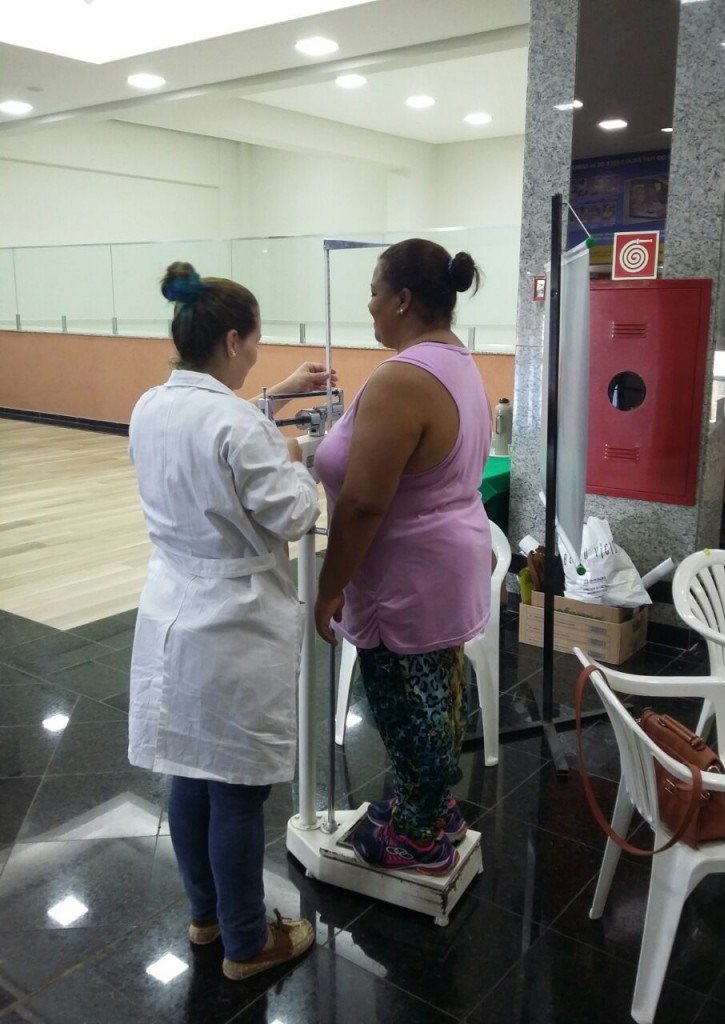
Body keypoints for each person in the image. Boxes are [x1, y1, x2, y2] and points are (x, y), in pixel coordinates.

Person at [128, 261, 334, 980]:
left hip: (171, 609)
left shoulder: (150, 405)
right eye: (255, 343)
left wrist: (279, 396)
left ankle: (207, 917)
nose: (256, 356)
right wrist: (307, 462)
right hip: (233, 623)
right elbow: (294, 513)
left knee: (190, 774)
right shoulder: (236, 425)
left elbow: (216, 432)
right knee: (239, 793)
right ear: (232, 340)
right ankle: (249, 944)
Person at [314, 238, 492, 876]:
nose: (368, 305)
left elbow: (364, 503)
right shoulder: (458, 361)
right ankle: (434, 808)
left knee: (405, 704)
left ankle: (418, 838)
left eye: (374, 292)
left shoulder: (402, 378)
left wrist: (330, 587)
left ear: (403, 300)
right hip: (444, 565)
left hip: (408, 578)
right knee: (437, 694)